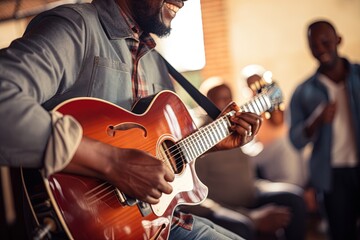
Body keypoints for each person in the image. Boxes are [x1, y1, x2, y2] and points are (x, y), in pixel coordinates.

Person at [0, 0, 263, 239]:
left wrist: (212, 143)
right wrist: (112, 162)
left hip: (155, 225)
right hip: (86, 227)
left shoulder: (156, 62)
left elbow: (159, 158)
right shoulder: (75, 27)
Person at [185, 77, 307, 240]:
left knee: (295, 198)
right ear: (204, 102)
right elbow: (197, 199)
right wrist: (252, 217)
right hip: (224, 207)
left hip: (252, 192)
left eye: (228, 97)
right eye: (218, 98)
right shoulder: (198, 137)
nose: (225, 103)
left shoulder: (235, 125)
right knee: (243, 227)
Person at [289, 19, 360, 240]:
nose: (320, 49)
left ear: (338, 40)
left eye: (325, 42)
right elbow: (296, 140)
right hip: (332, 177)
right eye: (314, 46)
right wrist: (316, 120)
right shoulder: (303, 92)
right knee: (341, 234)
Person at [240, 65, 308, 187]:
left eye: (258, 84)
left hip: (284, 152)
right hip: (267, 154)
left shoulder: (274, 104)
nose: (255, 88)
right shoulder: (250, 110)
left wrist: (269, 95)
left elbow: (278, 120)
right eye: (251, 85)